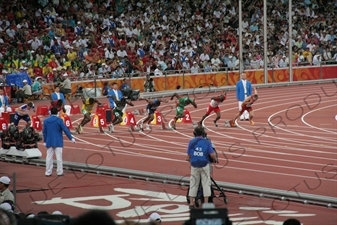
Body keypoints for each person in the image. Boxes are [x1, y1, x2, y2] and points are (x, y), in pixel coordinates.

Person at [186, 127, 217, 209]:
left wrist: (189, 158)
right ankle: (206, 203)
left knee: (193, 183)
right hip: (204, 164)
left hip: (194, 164)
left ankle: (191, 203)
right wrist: (215, 159)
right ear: (203, 134)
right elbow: (212, 154)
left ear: (194, 133)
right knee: (206, 183)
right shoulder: (207, 142)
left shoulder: (191, 142)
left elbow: (188, 155)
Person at [43, 107, 76, 177]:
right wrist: (71, 138)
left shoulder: (46, 121)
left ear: (50, 112)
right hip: (58, 141)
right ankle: (59, 172)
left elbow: (44, 132)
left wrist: (45, 141)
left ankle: (48, 172)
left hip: (49, 141)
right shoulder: (59, 120)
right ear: (57, 113)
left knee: (48, 157)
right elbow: (65, 130)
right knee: (59, 157)